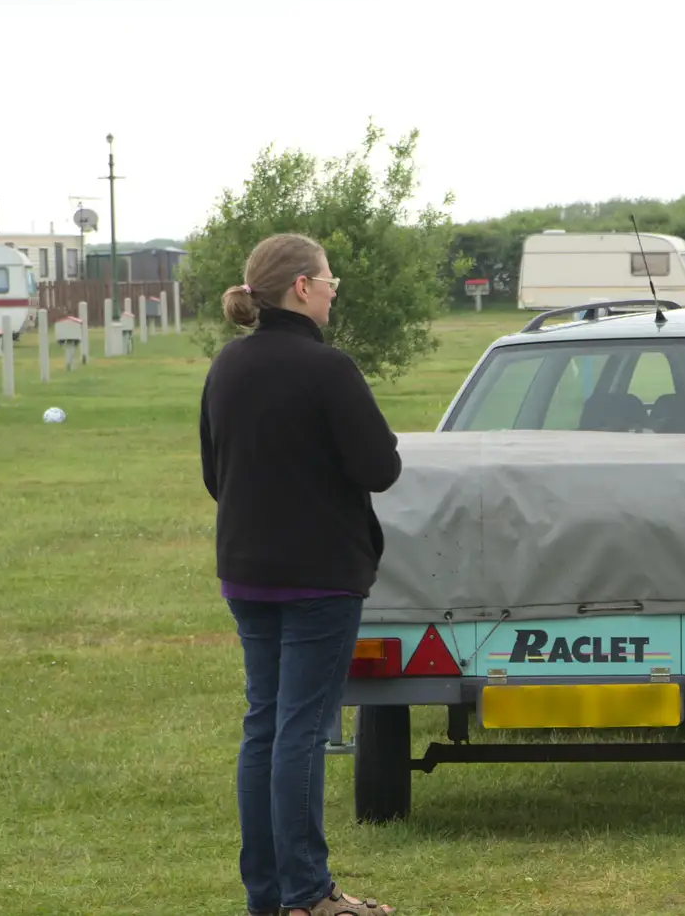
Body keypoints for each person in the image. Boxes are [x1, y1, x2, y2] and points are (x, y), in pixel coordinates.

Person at [200, 233, 401, 916]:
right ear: (303, 288)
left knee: (265, 723)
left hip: (248, 574)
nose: (336, 285)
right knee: (301, 729)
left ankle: (269, 893)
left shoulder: (227, 365)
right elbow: (381, 467)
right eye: (329, 276)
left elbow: (212, 474)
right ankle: (308, 893)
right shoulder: (328, 369)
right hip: (320, 579)